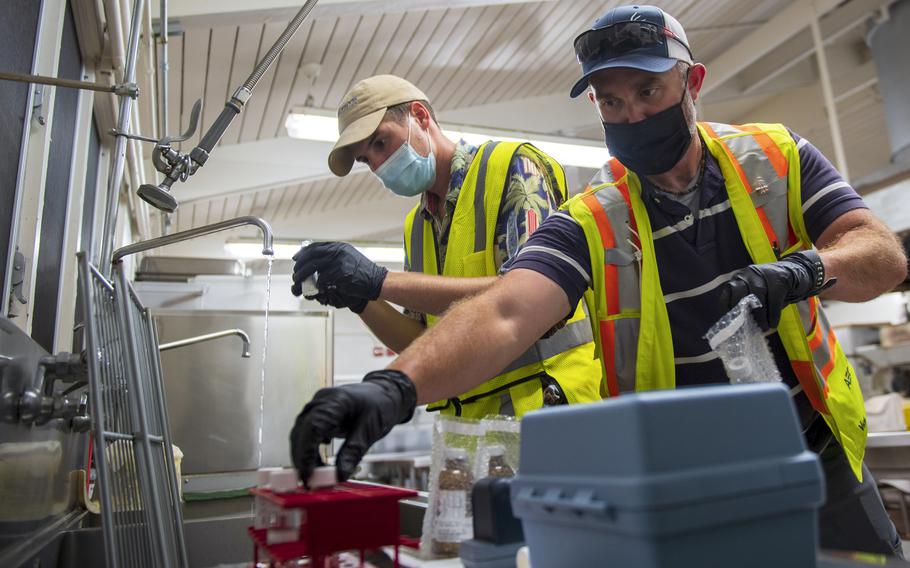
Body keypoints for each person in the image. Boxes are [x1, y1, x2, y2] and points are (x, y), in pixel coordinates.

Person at [290, 6, 908, 556]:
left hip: (815, 453)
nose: (632, 114)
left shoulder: (774, 157)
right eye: (611, 102)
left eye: (648, 90)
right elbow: (507, 310)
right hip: (673, 472)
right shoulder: (591, 217)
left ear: (692, 82)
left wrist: (809, 269)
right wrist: (394, 389)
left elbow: (882, 255)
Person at [290, 74, 603, 420]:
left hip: (548, 413)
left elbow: (530, 297)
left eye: (381, 143)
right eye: (366, 160)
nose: (378, 165)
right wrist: (362, 299)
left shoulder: (513, 168)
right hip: (471, 437)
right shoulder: (418, 226)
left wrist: (378, 279)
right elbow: (423, 341)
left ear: (420, 117)